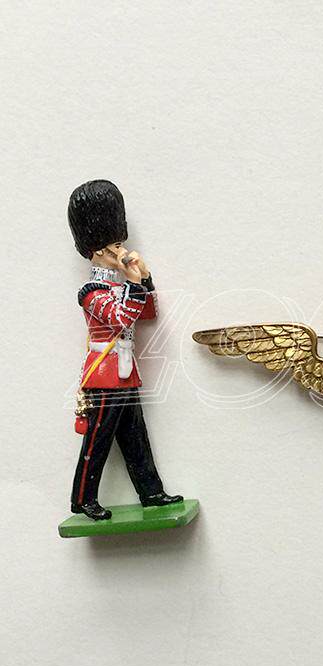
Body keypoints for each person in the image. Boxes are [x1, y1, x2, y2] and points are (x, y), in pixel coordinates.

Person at [68, 179, 182, 520]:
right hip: (104, 377)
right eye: (117, 245)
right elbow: (120, 320)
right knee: (97, 442)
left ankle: (151, 491)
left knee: (135, 438)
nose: (123, 251)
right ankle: (83, 498)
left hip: (125, 373)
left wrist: (144, 281)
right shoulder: (91, 291)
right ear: (100, 250)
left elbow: (147, 313)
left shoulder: (119, 288)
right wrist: (133, 284)